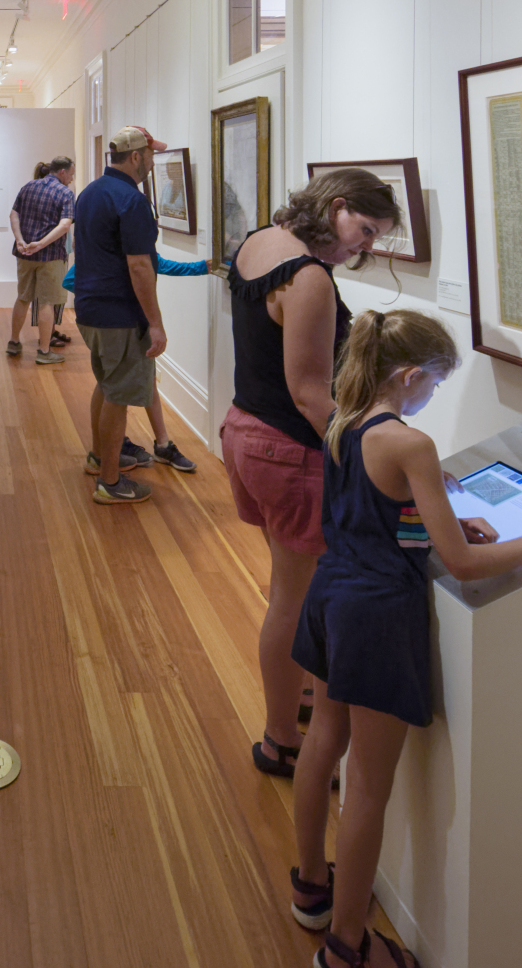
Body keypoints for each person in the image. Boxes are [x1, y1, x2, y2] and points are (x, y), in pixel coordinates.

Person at [286, 310, 522, 966]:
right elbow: (465, 564)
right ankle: (348, 946)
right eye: (436, 385)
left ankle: (310, 885)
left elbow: (378, 519)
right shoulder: (408, 444)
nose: (432, 397)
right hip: (378, 617)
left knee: (323, 739)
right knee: (366, 784)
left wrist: (433, 520)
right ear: (412, 375)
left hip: (332, 594)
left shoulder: (341, 421)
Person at [226, 168, 402, 780]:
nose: (367, 245)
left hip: (246, 431)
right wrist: (371, 452)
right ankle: (281, 741)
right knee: (291, 598)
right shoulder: (310, 277)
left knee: (287, 588)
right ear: (336, 207)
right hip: (288, 449)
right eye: (365, 229)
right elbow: (309, 393)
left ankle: (294, 687)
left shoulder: (258, 241)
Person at [72, 126, 168, 505]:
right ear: (135, 157)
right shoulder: (132, 200)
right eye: (151, 154)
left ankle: (99, 458)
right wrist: (156, 323)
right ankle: (111, 483)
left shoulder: (90, 192)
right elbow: (140, 267)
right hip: (120, 313)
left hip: (90, 308)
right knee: (120, 395)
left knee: (107, 384)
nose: (153, 160)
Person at [61, 254, 212, 472]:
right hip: (118, 324)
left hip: (124, 322)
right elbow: (70, 280)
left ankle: (153, 445)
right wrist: (106, 299)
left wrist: (199, 267)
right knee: (112, 384)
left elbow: (154, 262)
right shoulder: (112, 248)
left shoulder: (124, 245)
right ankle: (112, 451)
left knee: (135, 378)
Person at [8, 156, 76, 365]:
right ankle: (44, 352)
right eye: (71, 174)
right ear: (62, 172)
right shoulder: (65, 193)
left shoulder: (28, 186)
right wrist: (41, 244)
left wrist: (20, 240)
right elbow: (65, 225)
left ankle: (13, 342)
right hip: (51, 256)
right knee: (47, 302)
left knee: (23, 297)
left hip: (25, 254)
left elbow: (13, 214)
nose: (72, 179)